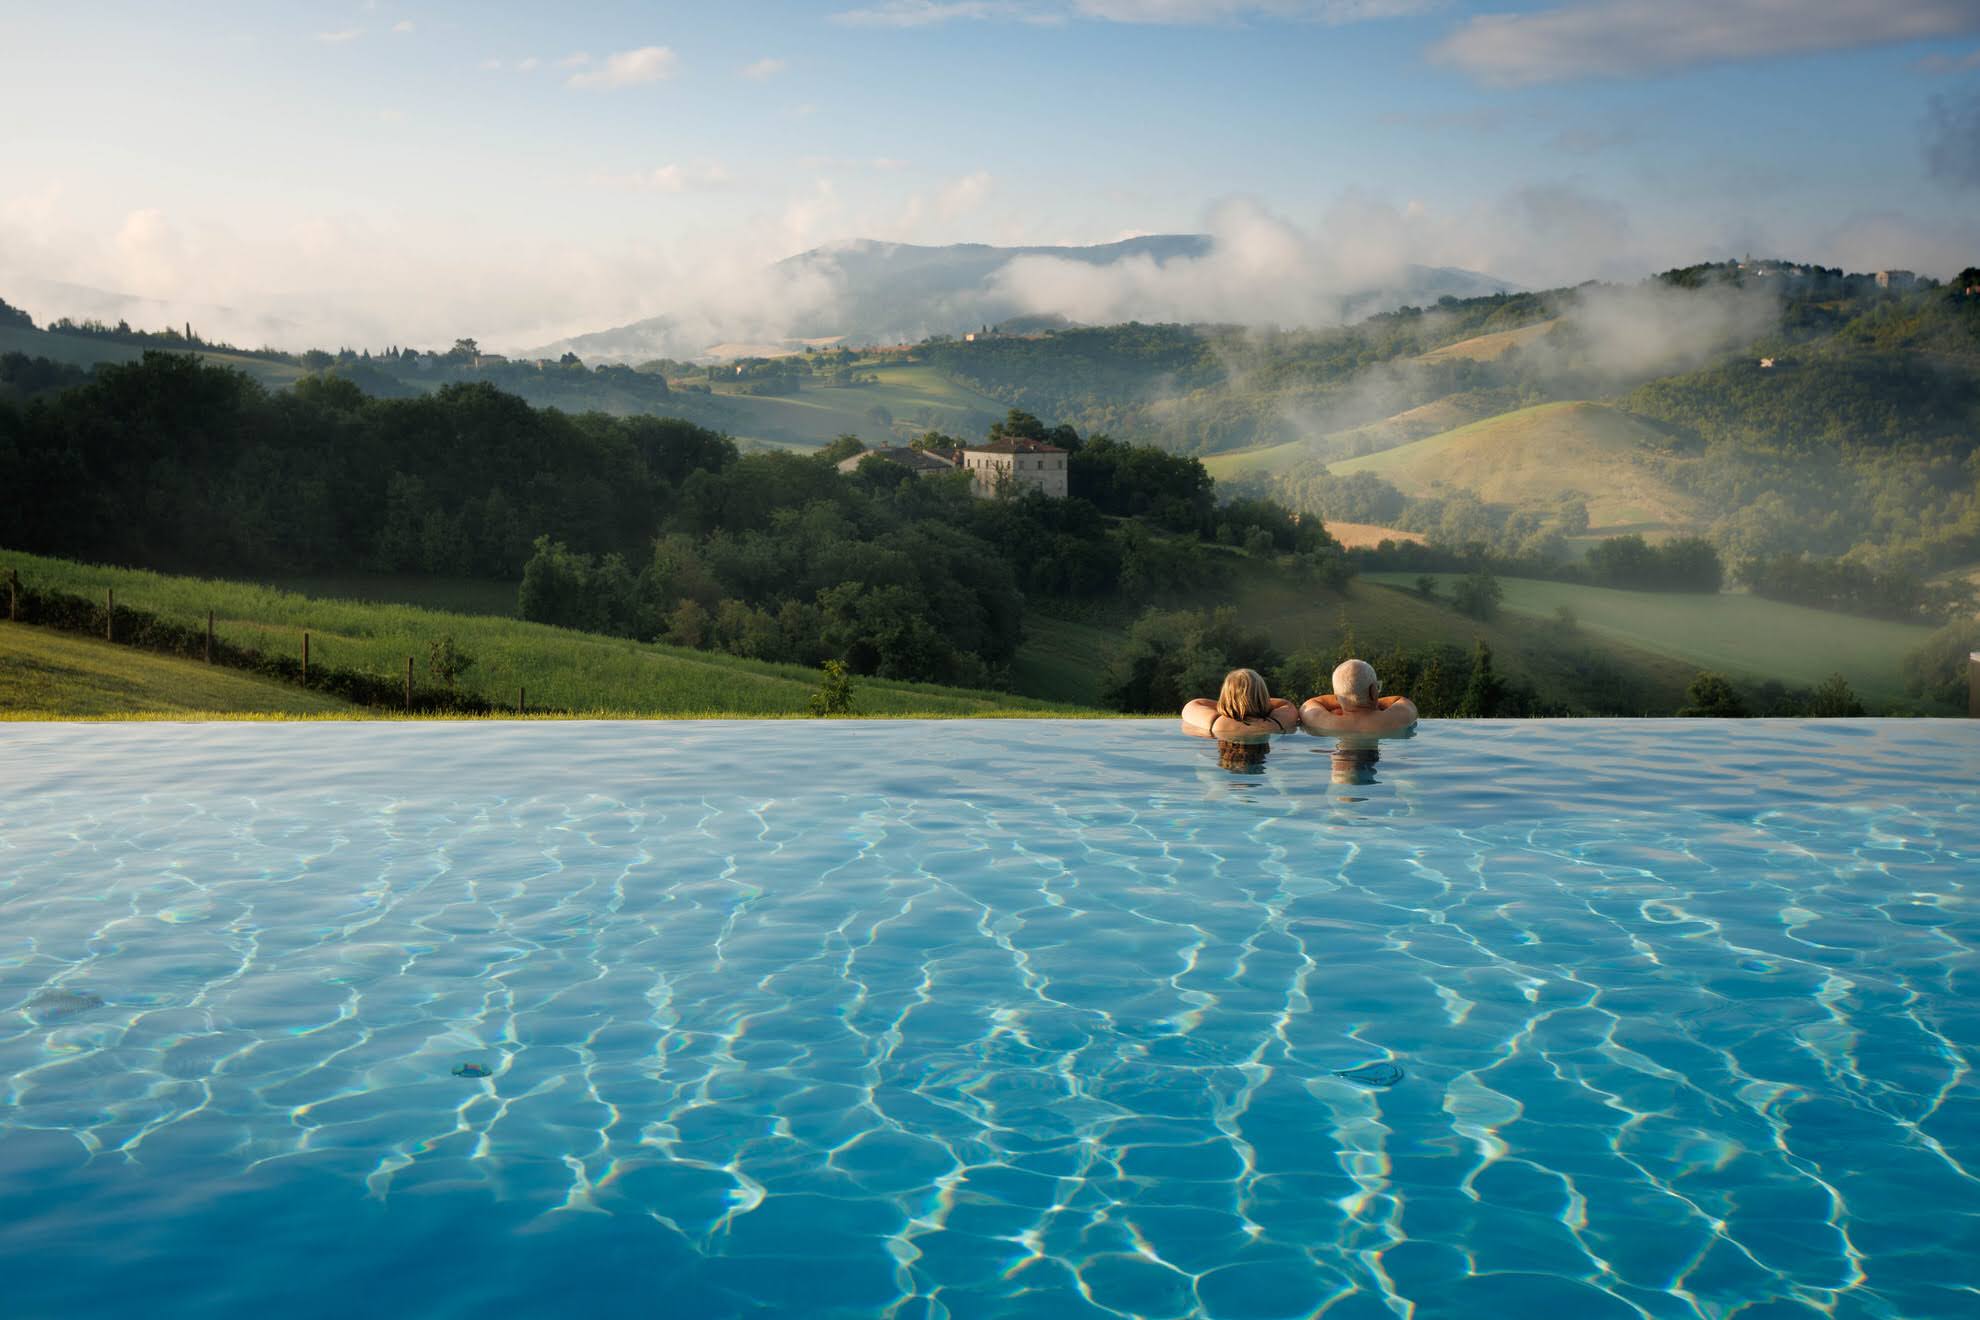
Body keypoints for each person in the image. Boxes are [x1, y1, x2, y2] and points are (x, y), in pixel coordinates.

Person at [1301, 658, 1418, 735]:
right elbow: (1400, 700)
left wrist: (1348, 699)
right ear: (1373, 691)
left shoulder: (1323, 722)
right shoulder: (1397, 718)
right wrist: (1366, 699)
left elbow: (1309, 703)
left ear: (1336, 697)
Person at [1182, 668, 1300, 739]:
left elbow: (1194, 704)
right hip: (1263, 760)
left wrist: (1230, 703)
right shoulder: (1277, 723)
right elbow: (1285, 703)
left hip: (1226, 761)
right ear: (1263, 695)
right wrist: (1256, 700)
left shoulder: (1215, 723)